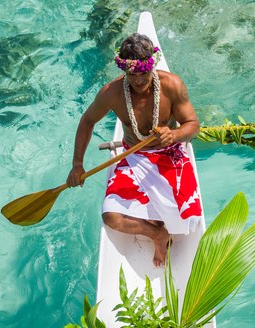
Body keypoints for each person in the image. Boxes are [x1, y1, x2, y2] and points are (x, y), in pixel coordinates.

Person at [67, 33, 202, 266]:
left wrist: (175, 134)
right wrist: (77, 164)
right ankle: (157, 234)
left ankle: (160, 222)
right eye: (132, 75)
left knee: (189, 219)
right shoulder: (112, 92)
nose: (138, 81)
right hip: (134, 156)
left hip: (169, 155)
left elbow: (194, 126)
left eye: (143, 74)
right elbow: (87, 121)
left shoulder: (172, 85)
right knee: (111, 217)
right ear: (124, 70)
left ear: (153, 65)